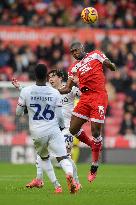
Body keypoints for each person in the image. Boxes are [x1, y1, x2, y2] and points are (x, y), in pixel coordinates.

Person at [12, 69, 82, 191]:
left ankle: (75, 181)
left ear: (60, 78)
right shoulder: (50, 92)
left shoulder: (71, 89)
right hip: (53, 128)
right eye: (49, 76)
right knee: (42, 155)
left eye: (53, 76)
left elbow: (86, 95)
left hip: (66, 129)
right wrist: (20, 87)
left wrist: (80, 83)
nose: (50, 78)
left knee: (64, 157)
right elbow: (33, 94)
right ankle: (39, 179)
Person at [58, 42, 117, 182]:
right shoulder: (73, 68)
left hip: (98, 96)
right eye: (71, 51)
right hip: (84, 98)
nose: (74, 53)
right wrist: (52, 90)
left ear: (82, 48)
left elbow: (111, 65)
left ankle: (94, 165)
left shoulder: (95, 54)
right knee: (72, 129)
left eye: (76, 50)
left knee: (96, 132)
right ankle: (93, 145)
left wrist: (111, 65)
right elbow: (67, 89)